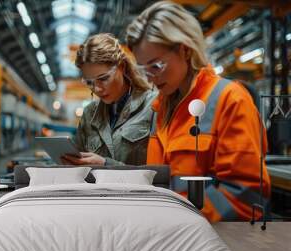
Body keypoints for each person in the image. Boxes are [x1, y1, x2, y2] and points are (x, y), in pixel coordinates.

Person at [126, 1, 270, 222]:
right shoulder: (161, 109)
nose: (149, 78)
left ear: (185, 50)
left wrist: (177, 221)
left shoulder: (230, 100)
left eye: (155, 66)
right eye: (143, 69)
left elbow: (244, 197)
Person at [62, 33, 157, 166]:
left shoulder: (153, 106)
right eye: (89, 82)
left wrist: (106, 165)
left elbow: (159, 173)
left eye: (103, 78)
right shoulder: (89, 114)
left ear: (122, 67)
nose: (97, 89)